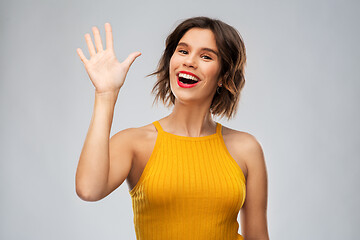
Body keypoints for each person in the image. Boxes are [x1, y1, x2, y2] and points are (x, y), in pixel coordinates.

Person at [75, 17, 269, 240]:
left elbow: (258, 237)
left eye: (206, 56)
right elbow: (89, 189)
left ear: (223, 77)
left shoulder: (246, 148)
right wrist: (105, 95)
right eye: (183, 51)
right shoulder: (135, 143)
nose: (189, 62)